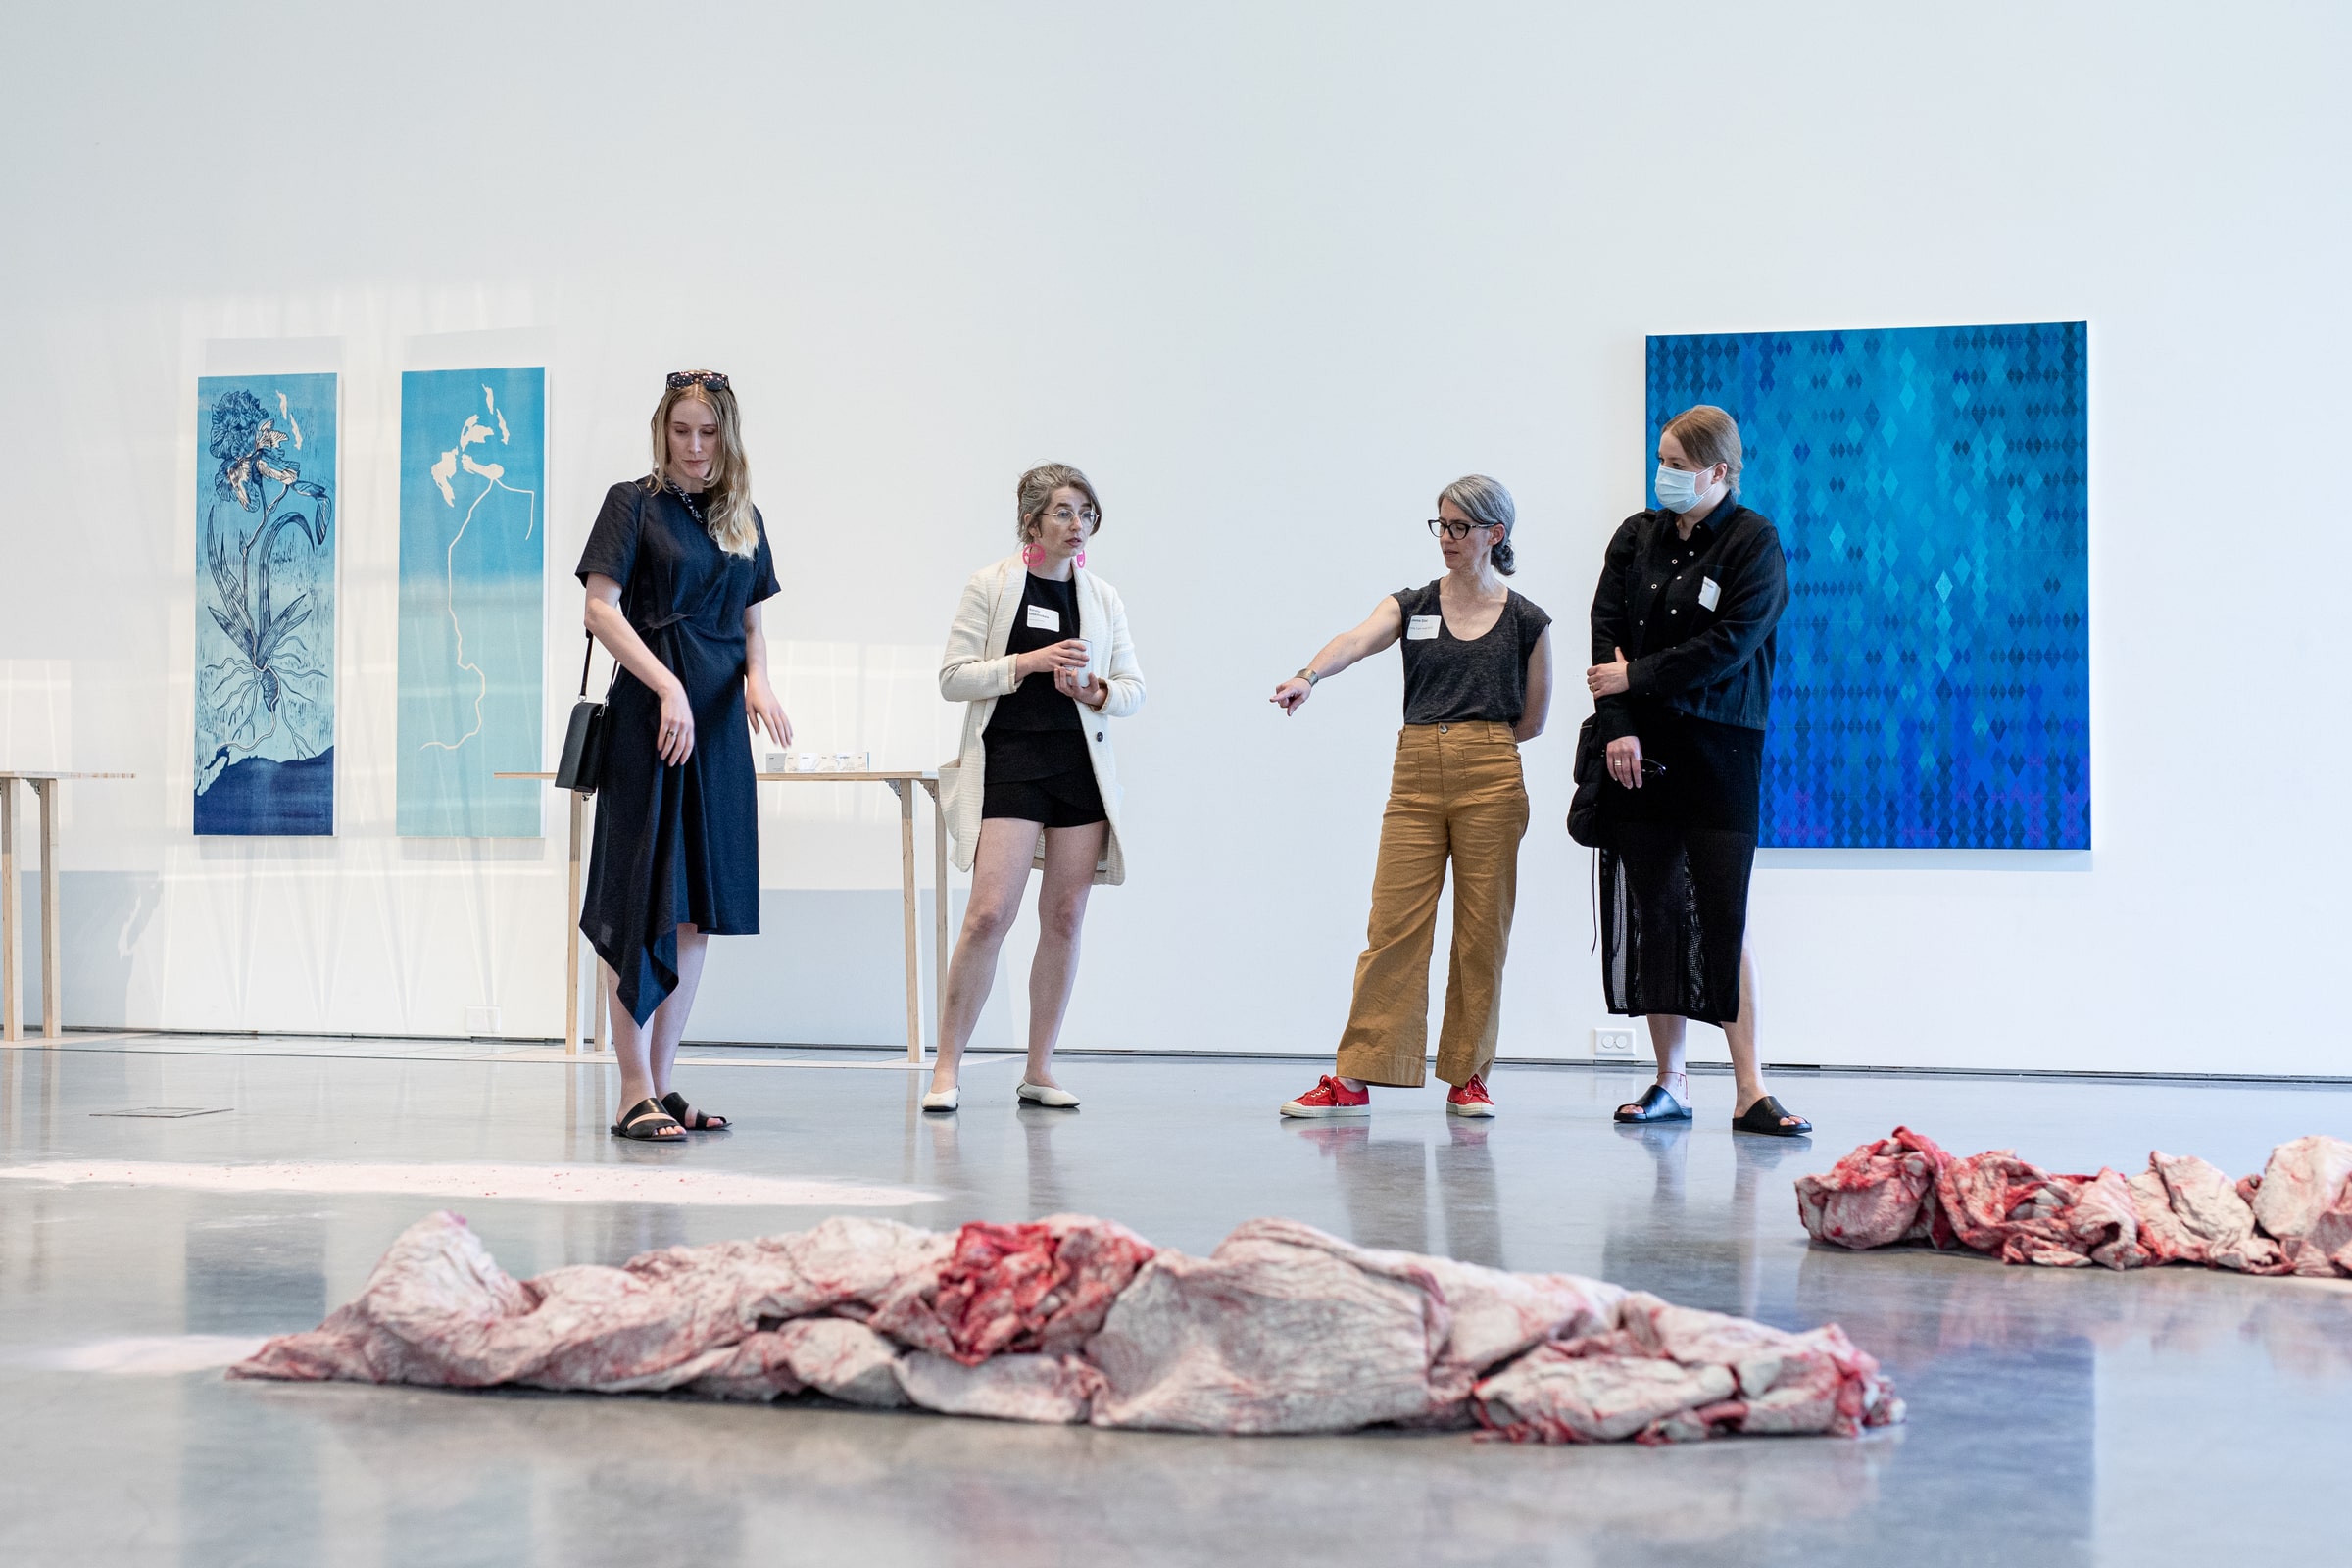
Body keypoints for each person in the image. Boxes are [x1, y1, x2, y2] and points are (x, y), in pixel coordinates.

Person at [1273, 475, 1553, 1120]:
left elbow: (1534, 719)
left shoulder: (1527, 620)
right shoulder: (1412, 603)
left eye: (1459, 527)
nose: (1447, 539)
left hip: (1492, 773)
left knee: (1482, 933)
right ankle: (1356, 1074)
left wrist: (1477, 747)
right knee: (1392, 925)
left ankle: (1469, 1076)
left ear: (1495, 534)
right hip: (1417, 771)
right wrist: (1309, 675)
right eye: (1441, 525)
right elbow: (1356, 639)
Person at [576, 370, 791, 1142]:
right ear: (662, 431)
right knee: (638, 899)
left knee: (695, 911)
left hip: (720, 729)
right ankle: (631, 1086)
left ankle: (662, 1087)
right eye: (681, 431)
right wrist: (667, 685)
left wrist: (759, 683)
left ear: (726, 437)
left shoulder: (743, 517)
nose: (695, 448)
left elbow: (752, 626)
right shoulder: (631, 503)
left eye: (708, 433)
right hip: (654, 724)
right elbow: (601, 609)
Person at [1587, 404, 1810, 1136]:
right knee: (1655, 911)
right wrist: (1617, 724)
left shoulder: (1754, 542)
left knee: (1723, 914)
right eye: (1661, 460)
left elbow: (1730, 645)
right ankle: (1669, 1083)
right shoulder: (1635, 537)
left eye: (1678, 465)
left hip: (1721, 749)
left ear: (1720, 471)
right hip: (1638, 751)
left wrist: (1635, 679)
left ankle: (1749, 1090)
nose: (1664, 475)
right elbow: (1604, 641)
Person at [926, 464, 1145, 1112]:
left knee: (1067, 917)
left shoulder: (1102, 598)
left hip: (1080, 769)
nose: (1077, 525)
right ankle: (946, 1069)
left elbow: (1133, 690)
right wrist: (1028, 664)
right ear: (1031, 522)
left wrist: (1095, 689)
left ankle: (1040, 1069)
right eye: (1063, 512)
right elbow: (953, 678)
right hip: (1010, 764)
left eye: (1085, 513)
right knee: (990, 914)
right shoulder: (991, 586)